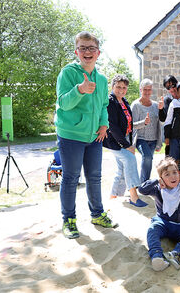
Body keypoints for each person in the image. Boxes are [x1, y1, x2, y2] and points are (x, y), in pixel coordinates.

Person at [55, 31, 117, 239]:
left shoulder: (101, 78)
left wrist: (104, 124)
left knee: (95, 177)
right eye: (83, 48)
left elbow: (103, 105)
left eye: (91, 48)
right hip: (71, 135)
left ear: (98, 53)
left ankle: (97, 214)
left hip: (94, 137)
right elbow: (63, 103)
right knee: (71, 178)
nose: (87, 52)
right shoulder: (68, 73)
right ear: (76, 51)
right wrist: (79, 90)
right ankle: (69, 220)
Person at [138, 157, 180, 271]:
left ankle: (175, 253)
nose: (172, 176)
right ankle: (156, 256)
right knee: (152, 230)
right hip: (162, 222)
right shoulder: (157, 189)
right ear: (162, 178)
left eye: (175, 172)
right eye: (167, 174)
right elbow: (142, 190)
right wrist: (156, 181)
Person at [103, 74, 148, 208]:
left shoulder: (124, 101)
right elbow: (113, 126)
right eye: (118, 87)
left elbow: (128, 124)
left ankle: (114, 196)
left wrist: (142, 124)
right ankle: (134, 197)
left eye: (124, 87)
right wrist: (127, 145)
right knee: (129, 159)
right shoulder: (110, 102)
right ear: (112, 87)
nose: (121, 90)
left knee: (122, 169)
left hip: (125, 138)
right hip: (114, 140)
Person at [131, 78, 162, 183]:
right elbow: (131, 125)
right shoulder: (136, 105)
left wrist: (159, 142)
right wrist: (143, 122)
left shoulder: (156, 105)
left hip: (153, 139)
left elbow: (159, 124)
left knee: (148, 160)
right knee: (147, 157)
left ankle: (144, 182)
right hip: (140, 138)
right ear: (140, 90)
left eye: (149, 89)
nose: (147, 92)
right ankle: (144, 182)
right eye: (145, 89)